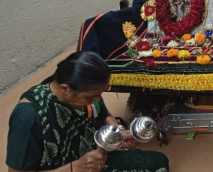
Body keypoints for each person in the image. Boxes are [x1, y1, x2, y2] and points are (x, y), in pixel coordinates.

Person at [6, 51, 169, 172]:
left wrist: (119, 135)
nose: (97, 100)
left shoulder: (84, 93)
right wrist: (74, 167)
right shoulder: (28, 117)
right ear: (65, 89)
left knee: (158, 163)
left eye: (99, 94)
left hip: (94, 159)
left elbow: (105, 116)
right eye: (92, 96)